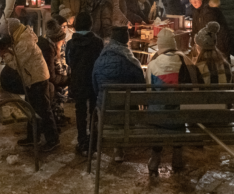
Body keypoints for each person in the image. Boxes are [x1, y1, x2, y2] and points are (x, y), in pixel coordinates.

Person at [0, 19, 60, 152]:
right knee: (31, 108)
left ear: (11, 32)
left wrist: (6, 56)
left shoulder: (25, 41)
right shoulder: (21, 37)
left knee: (43, 110)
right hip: (32, 78)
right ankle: (33, 137)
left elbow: (17, 64)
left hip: (37, 78)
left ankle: (53, 140)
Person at [91, 27, 146, 162]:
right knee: (126, 104)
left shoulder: (99, 60)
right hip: (126, 113)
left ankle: (115, 148)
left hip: (104, 111)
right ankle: (119, 149)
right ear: (126, 41)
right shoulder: (131, 62)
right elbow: (141, 89)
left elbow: (95, 87)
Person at [146, 28, 190, 175]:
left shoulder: (153, 64)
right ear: (173, 44)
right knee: (178, 110)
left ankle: (155, 158)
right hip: (179, 118)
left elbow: (148, 92)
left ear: (160, 45)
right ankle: (177, 157)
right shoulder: (185, 61)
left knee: (157, 109)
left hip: (158, 118)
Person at [66, 12, 104, 155]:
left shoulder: (71, 44)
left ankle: (82, 140)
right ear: (90, 25)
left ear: (75, 25)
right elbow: (100, 61)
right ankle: (93, 141)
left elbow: (68, 61)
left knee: (80, 111)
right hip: (93, 81)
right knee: (94, 110)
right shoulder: (98, 42)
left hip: (78, 81)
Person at [38, 19, 70, 128]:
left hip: (43, 79)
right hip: (42, 81)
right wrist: (67, 79)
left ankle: (58, 114)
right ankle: (55, 117)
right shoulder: (48, 50)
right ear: (56, 40)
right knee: (60, 87)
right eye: (62, 40)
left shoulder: (49, 45)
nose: (63, 42)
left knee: (61, 83)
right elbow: (51, 76)